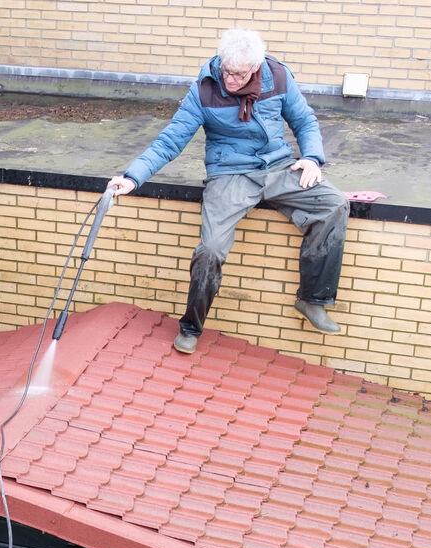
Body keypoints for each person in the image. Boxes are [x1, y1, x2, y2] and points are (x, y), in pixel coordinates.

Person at [108, 27, 349, 349]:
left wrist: (312, 159)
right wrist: (133, 177)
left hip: (278, 167)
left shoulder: (278, 76)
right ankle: (191, 327)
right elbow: (170, 140)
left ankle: (312, 300)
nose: (231, 80)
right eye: (227, 71)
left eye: (239, 74)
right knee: (210, 250)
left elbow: (304, 121)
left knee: (333, 204)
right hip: (230, 172)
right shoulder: (204, 90)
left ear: (255, 68)